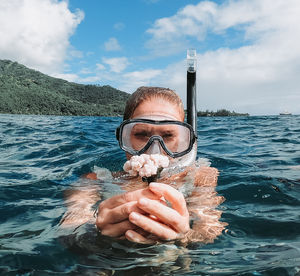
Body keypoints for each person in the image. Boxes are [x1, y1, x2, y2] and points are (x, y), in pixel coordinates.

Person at [61, 86, 226, 244]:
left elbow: (209, 232)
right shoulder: (94, 181)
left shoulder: (200, 176)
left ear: (184, 141)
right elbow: (68, 231)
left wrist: (184, 237)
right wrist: (95, 232)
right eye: (141, 134)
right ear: (124, 138)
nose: (155, 150)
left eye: (168, 135)